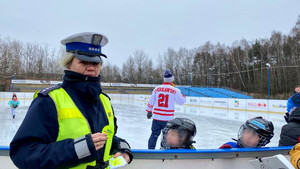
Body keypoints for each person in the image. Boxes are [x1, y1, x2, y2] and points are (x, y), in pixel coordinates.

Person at [10, 32, 132, 169]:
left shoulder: (104, 100)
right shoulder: (49, 100)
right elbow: (23, 153)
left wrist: (121, 147)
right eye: (83, 61)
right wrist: (79, 149)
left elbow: (103, 138)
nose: (91, 67)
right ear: (68, 65)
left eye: (96, 62)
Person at [146, 69, 186, 149]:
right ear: (171, 80)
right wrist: (183, 96)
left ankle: (150, 151)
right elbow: (181, 101)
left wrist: (149, 111)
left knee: (154, 134)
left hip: (157, 117)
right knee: (166, 136)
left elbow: (151, 101)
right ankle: (163, 152)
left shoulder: (157, 89)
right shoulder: (175, 90)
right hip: (168, 119)